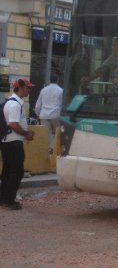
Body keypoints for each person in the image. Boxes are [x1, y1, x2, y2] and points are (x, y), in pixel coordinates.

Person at [0, 78, 35, 210]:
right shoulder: (14, 105)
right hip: (13, 142)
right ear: (20, 88)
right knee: (17, 172)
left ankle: (3, 198)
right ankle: (9, 200)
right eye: (27, 88)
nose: (29, 90)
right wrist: (26, 134)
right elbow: (13, 124)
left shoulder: (9, 102)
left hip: (7, 141)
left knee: (8, 171)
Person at [35, 74, 63, 158]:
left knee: (47, 134)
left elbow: (38, 104)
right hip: (56, 114)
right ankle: (55, 150)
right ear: (57, 80)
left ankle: (48, 152)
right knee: (58, 133)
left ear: (49, 80)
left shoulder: (43, 90)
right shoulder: (61, 90)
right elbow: (62, 104)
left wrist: (37, 114)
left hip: (44, 115)